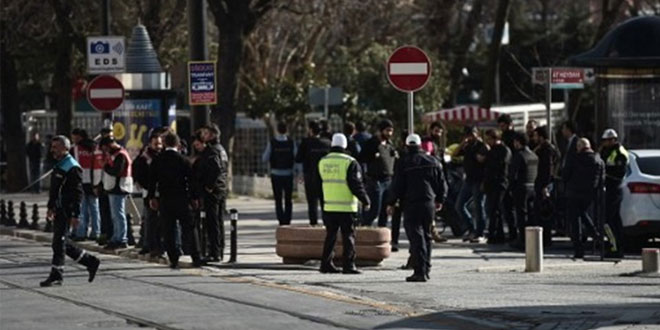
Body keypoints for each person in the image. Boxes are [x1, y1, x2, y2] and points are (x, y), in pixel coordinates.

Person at [40, 135, 100, 287]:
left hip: (67, 210)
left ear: (65, 148)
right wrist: (50, 207)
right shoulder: (59, 164)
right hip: (59, 209)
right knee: (60, 243)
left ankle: (57, 275)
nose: (52, 150)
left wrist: (75, 214)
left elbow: (77, 193)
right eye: (52, 147)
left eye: (56, 147)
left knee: (59, 243)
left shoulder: (72, 167)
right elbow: (55, 190)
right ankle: (90, 261)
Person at [388, 134, 447, 282]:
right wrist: (440, 199)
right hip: (429, 203)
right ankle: (426, 268)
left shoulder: (403, 162)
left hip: (411, 204)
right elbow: (442, 183)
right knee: (426, 235)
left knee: (416, 237)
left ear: (407, 146)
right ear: (420, 145)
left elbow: (397, 185)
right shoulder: (433, 161)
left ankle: (420, 271)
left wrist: (391, 202)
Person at [148, 132, 204, 268]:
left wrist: (152, 197)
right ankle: (196, 256)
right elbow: (192, 181)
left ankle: (173, 258)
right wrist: (194, 197)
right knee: (190, 228)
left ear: (165, 143)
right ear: (178, 144)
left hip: (165, 199)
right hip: (182, 198)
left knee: (169, 229)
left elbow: (152, 181)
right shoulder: (183, 160)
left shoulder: (158, 160)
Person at [318, 134, 370, 274]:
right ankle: (349, 265)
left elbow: (318, 184)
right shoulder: (350, 162)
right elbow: (356, 184)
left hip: (329, 206)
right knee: (348, 236)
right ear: (345, 145)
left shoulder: (323, 161)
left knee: (330, 236)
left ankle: (326, 264)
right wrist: (365, 199)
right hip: (346, 207)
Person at [564, 138, 605, 259]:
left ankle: (579, 249)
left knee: (575, 221)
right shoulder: (598, 160)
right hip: (590, 194)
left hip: (574, 193)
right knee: (582, 213)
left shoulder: (574, 158)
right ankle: (595, 234)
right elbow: (602, 179)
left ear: (580, 147)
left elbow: (566, 174)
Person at [359, 119, 397, 227]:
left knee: (385, 212)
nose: (390, 133)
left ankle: (381, 235)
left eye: (391, 131)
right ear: (381, 131)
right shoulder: (372, 143)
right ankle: (364, 230)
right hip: (375, 181)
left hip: (388, 181)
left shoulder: (390, 144)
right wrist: (372, 156)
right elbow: (361, 158)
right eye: (387, 130)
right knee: (373, 211)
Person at [199, 124, 229, 262]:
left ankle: (214, 252)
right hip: (222, 189)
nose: (203, 136)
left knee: (213, 222)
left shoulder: (212, 150)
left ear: (212, 135)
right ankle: (219, 250)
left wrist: (209, 186)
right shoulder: (221, 149)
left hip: (214, 190)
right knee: (219, 221)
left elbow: (216, 169)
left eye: (205, 133)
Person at [454, 126, 488, 243]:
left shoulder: (482, 146)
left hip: (479, 180)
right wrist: (463, 143)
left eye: (472, 134)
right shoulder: (467, 146)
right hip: (468, 180)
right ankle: (470, 229)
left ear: (477, 133)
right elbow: (455, 153)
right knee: (459, 205)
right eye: (468, 134)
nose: (470, 136)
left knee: (479, 207)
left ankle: (480, 232)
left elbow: (483, 161)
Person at [99, 137, 133, 249]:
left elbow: (116, 171)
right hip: (114, 187)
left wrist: (106, 167)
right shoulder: (115, 154)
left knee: (118, 214)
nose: (105, 151)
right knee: (115, 215)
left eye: (105, 148)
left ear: (110, 144)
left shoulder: (120, 155)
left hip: (119, 187)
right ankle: (116, 237)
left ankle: (121, 238)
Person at [599, 129, 628, 258]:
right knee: (615, 220)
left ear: (613, 140)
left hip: (615, 189)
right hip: (609, 189)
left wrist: (605, 174)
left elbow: (619, 173)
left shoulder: (620, 153)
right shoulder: (605, 151)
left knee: (608, 221)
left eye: (607, 140)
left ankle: (614, 247)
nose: (604, 143)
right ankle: (618, 247)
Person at [132, 133, 163, 256]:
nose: (158, 146)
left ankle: (156, 245)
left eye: (160, 143)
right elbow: (138, 171)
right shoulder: (144, 157)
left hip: (161, 192)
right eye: (156, 144)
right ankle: (148, 245)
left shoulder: (162, 155)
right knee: (149, 220)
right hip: (148, 193)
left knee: (158, 222)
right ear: (150, 143)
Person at [295, 120, 331, 226]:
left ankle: (313, 224)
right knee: (325, 202)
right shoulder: (327, 143)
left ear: (310, 130)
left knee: (312, 203)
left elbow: (298, 158)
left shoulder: (306, 142)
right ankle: (326, 223)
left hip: (310, 175)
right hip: (325, 177)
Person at [71, 129, 103, 241]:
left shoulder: (75, 149)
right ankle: (96, 232)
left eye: (74, 137)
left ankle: (81, 232)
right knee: (94, 208)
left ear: (79, 137)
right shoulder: (94, 147)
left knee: (82, 208)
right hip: (94, 180)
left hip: (80, 181)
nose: (73, 139)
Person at [262, 122, 296, 225]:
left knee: (278, 198)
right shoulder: (291, 142)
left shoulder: (272, 143)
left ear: (277, 130)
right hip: (288, 173)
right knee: (288, 199)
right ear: (287, 130)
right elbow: (296, 157)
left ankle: (281, 219)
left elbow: (264, 158)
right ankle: (288, 219)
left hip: (275, 174)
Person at [508, 132, 538, 249]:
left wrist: (511, 188)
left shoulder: (519, 155)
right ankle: (532, 239)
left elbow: (512, 174)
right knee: (531, 214)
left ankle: (522, 240)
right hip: (532, 186)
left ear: (518, 142)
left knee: (521, 215)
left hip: (521, 187)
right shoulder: (534, 155)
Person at [533, 126, 560, 246]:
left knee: (544, 211)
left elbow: (548, 169)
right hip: (543, 183)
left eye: (536, 135)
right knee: (542, 211)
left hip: (544, 184)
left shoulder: (547, 150)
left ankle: (545, 239)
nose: (534, 138)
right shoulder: (544, 148)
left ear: (541, 136)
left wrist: (545, 185)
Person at [483, 129, 512, 244]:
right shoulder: (491, 151)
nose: (487, 141)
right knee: (494, 209)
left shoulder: (504, 150)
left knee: (496, 209)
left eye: (489, 139)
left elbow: (502, 168)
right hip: (491, 184)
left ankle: (494, 233)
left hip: (500, 183)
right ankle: (497, 233)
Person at [497, 114, 517, 242]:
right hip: (507, 176)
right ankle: (511, 232)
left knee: (508, 207)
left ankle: (513, 232)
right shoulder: (505, 137)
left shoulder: (511, 137)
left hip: (509, 176)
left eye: (503, 126)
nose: (502, 128)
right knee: (507, 208)